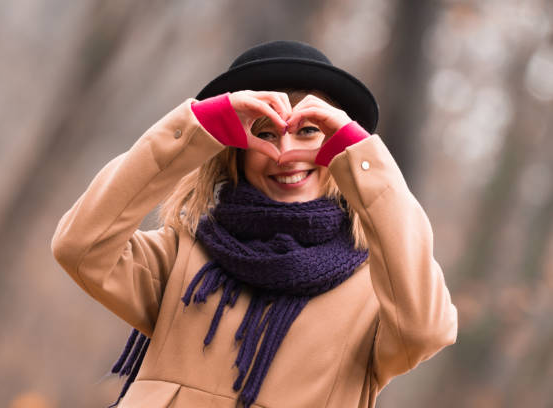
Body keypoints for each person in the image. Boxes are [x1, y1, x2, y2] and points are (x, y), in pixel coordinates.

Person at [51, 40, 458, 408]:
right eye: (265, 133)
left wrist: (365, 161)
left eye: (309, 131)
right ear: (234, 153)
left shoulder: (379, 292)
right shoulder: (180, 257)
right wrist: (195, 130)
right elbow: (80, 247)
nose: (286, 152)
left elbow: (426, 331)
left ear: (338, 148)